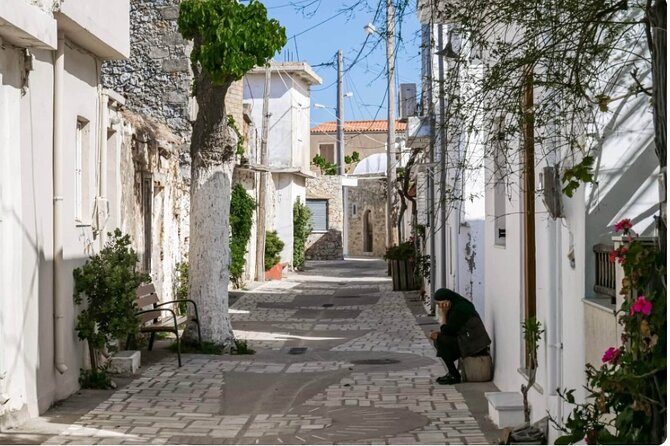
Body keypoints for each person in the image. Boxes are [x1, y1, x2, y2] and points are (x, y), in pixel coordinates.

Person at [429, 288, 490, 384]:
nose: (439, 307)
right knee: (440, 338)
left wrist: (444, 314)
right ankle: (452, 373)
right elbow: (450, 330)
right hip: (470, 340)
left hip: (475, 345)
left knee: (440, 340)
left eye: (439, 304)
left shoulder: (459, 309)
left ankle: (454, 375)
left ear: (447, 301)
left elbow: (447, 331)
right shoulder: (459, 304)